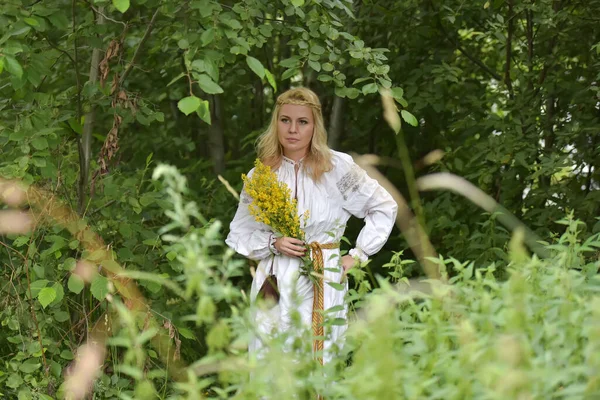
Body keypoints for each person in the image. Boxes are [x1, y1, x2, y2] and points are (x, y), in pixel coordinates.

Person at [226, 87, 398, 364]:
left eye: (302, 122)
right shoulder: (261, 174)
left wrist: (357, 256)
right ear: (276, 123)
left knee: (318, 356)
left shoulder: (337, 168)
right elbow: (239, 233)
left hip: (322, 275)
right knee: (272, 360)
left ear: (314, 126)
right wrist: (273, 243)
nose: (292, 129)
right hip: (275, 277)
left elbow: (383, 207)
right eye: (285, 120)